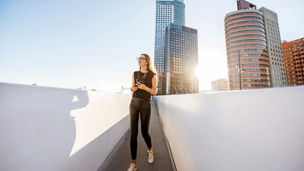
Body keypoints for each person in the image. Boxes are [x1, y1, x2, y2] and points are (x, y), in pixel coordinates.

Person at [127, 53, 157, 171]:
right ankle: (133, 163)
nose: (139, 60)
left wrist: (145, 88)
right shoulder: (135, 73)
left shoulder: (152, 75)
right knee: (133, 133)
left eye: (141, 58)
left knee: (144, 132)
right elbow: (131, 88)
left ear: (147, 61)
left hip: (145, 104)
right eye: (138, 58)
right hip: (134, 103)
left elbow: (154, 92)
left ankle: (150, 150)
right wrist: (134, 88)